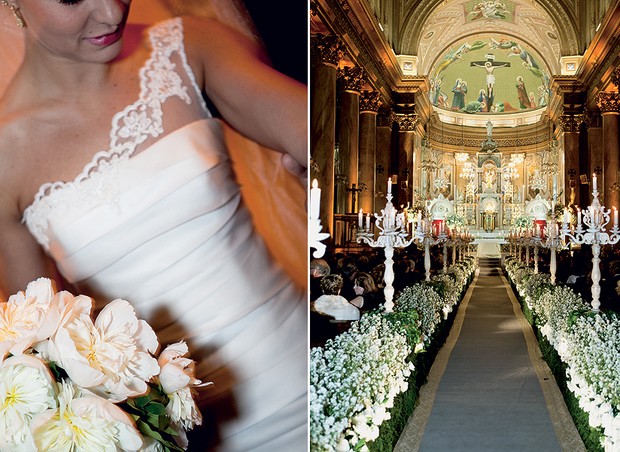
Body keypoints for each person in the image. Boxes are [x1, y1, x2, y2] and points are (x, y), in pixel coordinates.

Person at [0, 2, 307, 451]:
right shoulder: (6, 161)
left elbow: (309, 129)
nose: (110, 12)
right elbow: (45, 365)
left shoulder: (188, 47)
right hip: (191, 437)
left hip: (309, 380)